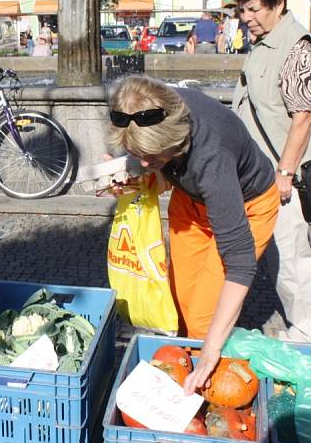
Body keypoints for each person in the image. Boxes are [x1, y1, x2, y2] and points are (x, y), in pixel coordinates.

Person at [107, 75, 279, 394]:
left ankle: (210, 387)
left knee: (204, 317)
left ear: (176, 139)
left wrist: (212, 348)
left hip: (248, 204)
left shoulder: (211, 156)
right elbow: (151, 163)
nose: (144, 163)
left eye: (153, 157)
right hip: (190, 202)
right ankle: (187, 366)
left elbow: (240, 264)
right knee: (182, 300)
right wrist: (128, 171)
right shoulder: (155, 104)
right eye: (138, 153)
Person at [230, 0, 311, 344]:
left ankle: (309, 338)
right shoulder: (266, 41)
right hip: (259, 171)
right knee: (271, 254)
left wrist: (285, 172)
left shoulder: (295, 45)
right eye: (242, 10)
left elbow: (303, 116)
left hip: (280, 172)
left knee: (290, 258)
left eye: (253, 9)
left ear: (279, 3)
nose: (246, 18)